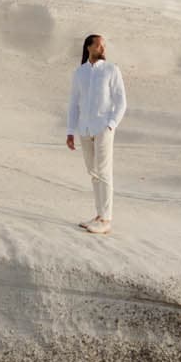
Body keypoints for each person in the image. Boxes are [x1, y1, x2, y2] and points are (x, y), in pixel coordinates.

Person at [66, 31, 126, 234]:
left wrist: (111, 124)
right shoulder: (80, 72)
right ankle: (99, 215)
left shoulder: (111, 70)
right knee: (93, 173)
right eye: (99, 45)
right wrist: (70, 131)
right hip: (84, 129)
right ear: (88, 47)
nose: (103, 49)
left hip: (103, 129)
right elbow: (74, 104)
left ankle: (106, 219)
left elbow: (121, 101)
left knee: (104, 173)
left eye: (104, 46)